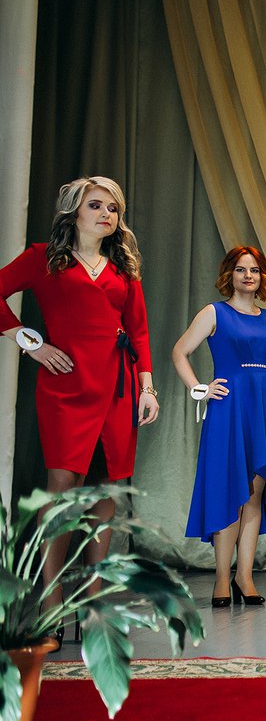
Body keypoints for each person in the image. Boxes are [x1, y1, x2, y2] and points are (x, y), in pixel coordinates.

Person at [0, 177, 159, 647]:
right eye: (96, 205)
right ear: (73, 211)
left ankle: (92, 607)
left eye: (113, 208)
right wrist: (31, 343)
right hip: (65, 387)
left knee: (106, 490)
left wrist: (147, 389)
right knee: (62, 489)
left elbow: (140, 332)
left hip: (117, 388)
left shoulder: (123, 268)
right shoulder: (43, 257)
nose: (106, 214)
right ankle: (50, 606)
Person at [172, 246, 266, 607]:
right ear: (229, 275)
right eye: (241, 270)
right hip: (229, 411)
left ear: (262, 277)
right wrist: (199, 389)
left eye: (255, 270)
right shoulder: (214, 313)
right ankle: (221, 578)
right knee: (230, 493)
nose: (249, 276)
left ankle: (244, 577)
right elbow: (179, 352)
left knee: (254, 497)